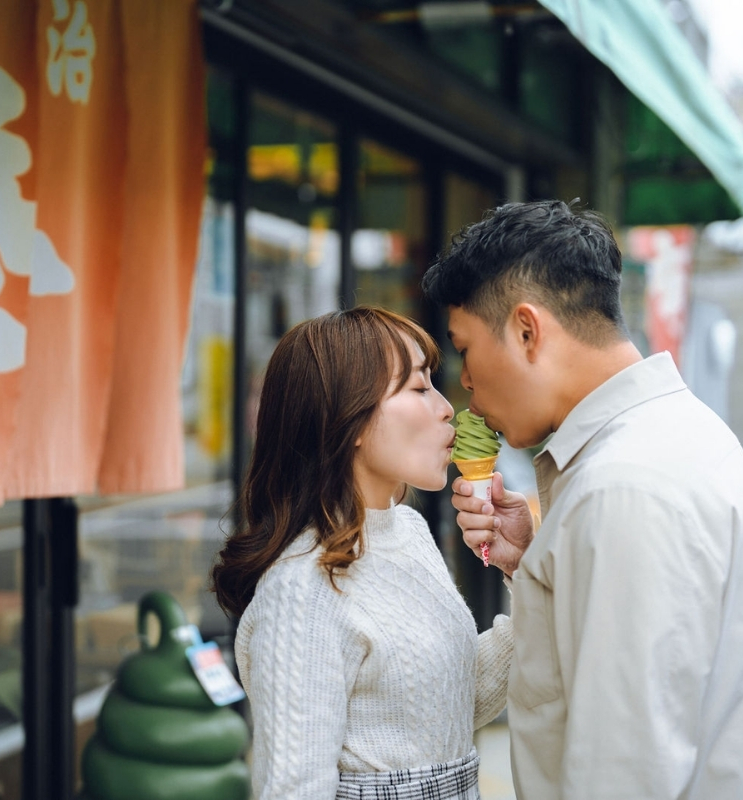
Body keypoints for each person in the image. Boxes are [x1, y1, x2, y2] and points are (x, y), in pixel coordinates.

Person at [423, 200, 743, 799]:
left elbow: (623, 770)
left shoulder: (624, 486)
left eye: (465, 349)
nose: (463, 382)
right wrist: (540, 558)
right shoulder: (682, 435)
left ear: (527, 330)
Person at [211, 306, 522, 799]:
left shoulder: (410, 530)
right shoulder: (300, 591)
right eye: (420, 388)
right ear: (348, 417)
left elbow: (453, 702)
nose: (449, 409)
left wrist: (522, 571)